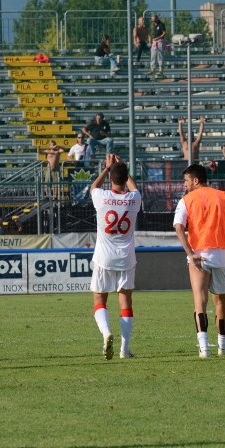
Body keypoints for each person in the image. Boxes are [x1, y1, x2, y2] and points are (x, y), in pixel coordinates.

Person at [173, 163, 225, 358]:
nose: (184, 185)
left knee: (200, 301)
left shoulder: (186, 200)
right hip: (221, 254)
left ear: (196, 180)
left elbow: (179, 228)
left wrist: (190, 254)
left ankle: (204, 347)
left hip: (198, 255)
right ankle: (223, 345)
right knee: (220, 302)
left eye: (186, 181)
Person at [89, 154, 142, 360]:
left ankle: (106, 332)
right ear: (126, 177)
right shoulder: (133, 199)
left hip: (104, 257)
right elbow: (134, 188)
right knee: (126, 302)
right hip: (126, 258)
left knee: (99, 299)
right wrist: (121, 169)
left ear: (111, 178)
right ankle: (125, 350)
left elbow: (93, 187)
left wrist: (107, 167)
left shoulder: (101, 196)